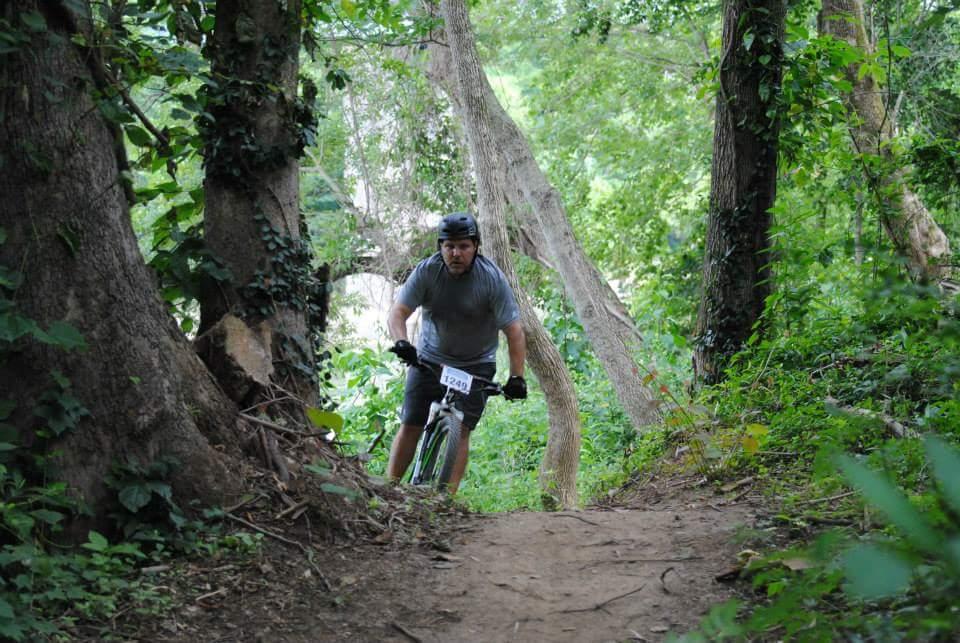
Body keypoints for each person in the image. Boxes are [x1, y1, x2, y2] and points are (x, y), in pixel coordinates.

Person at [386, 212, 527, 493]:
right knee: (412, 423)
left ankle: (446, 501)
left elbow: (514, 331)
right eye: (449, 246)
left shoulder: (492, 280)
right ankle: (388, 489)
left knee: (461, 430)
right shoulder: (427, 271)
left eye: (463, 246)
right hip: (429, 360)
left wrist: (517, 378)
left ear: (475, 246)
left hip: (475, 366)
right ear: (440, 247)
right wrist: (402, 342)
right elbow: (398, 312)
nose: (456, 253)